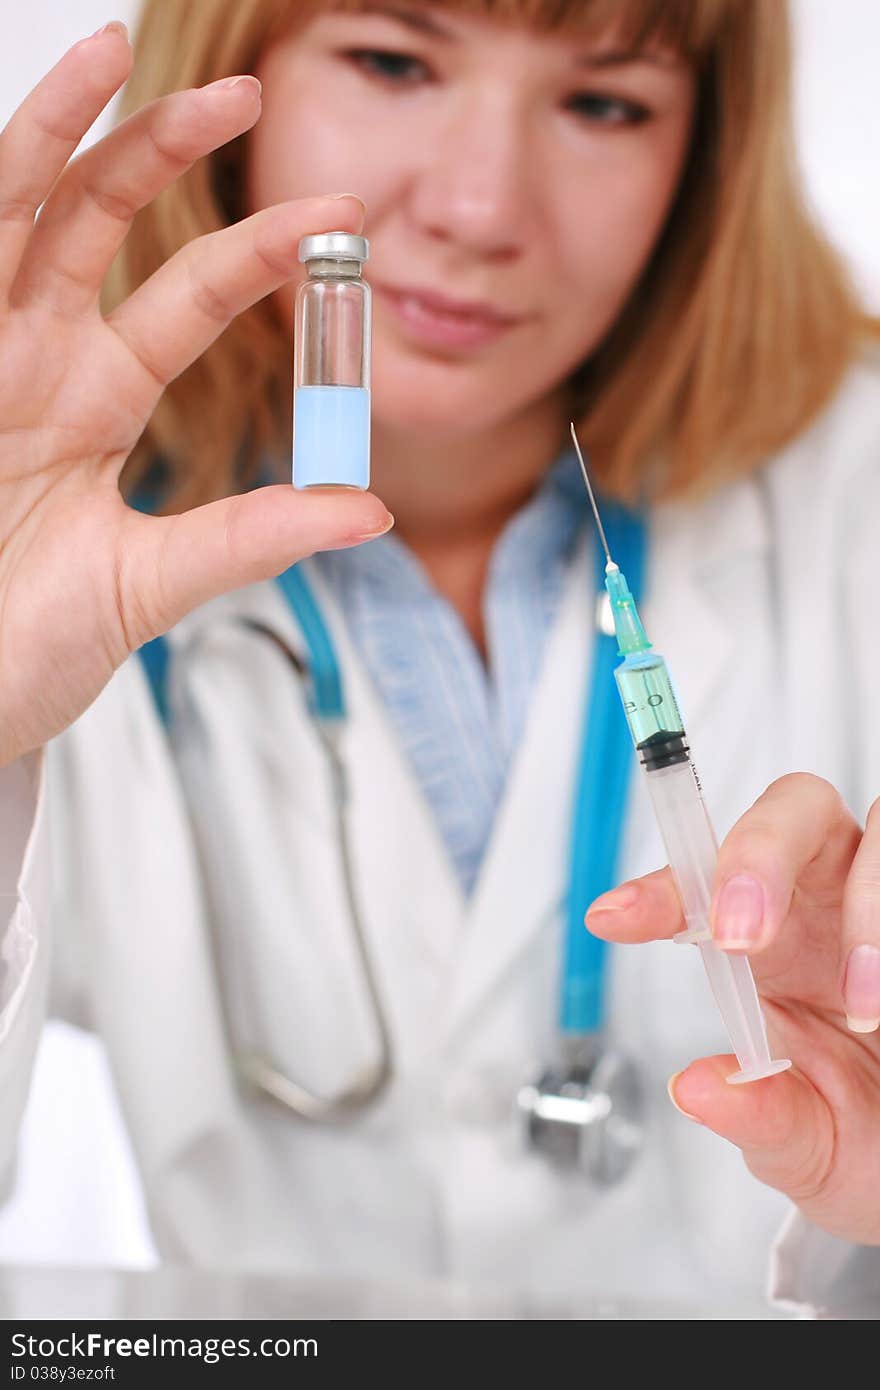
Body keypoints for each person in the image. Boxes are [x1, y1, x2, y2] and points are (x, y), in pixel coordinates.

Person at [0, 0, 878, 1313]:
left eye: (604, 102)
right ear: (232, 70)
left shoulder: (851, 497)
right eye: (394, 62)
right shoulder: (39, 520)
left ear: (706, 153)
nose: (481, 208)